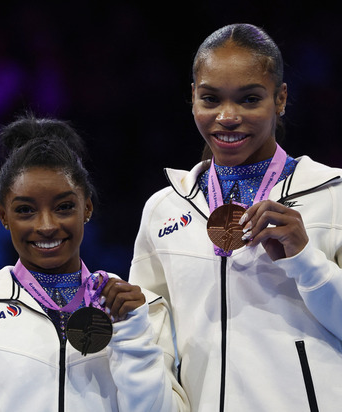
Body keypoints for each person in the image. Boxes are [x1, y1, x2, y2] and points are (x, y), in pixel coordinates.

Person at [129, 23, 342, 412]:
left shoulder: (332, 195)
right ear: (193, 97)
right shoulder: (164, 210)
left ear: (280, 99)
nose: (227, 117)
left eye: (249, 100)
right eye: (211, 99)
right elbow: (152, 342)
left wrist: (307, 261)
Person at [0, 113, 190, 411]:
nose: (46, 225)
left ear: (86, 208)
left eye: (63, 207)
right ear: (3, 216)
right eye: (25, 210)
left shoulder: (141, 309)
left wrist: (132, 336)